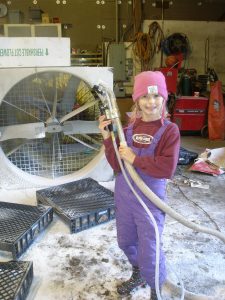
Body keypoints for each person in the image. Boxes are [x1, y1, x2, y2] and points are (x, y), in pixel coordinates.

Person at [98, 71, 180, 299]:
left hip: (150, 200)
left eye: (156, 97)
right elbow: (116, 163)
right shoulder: (128, 130)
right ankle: (139, 273)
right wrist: (107, 138)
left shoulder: (169, 130)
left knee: (150, 250)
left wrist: (136, 159)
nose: (150, 102)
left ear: (164, 99)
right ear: (137, 100)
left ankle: (155, 288)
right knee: (126, 242)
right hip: (125, 198)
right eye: (144, 97)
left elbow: (167, 168)